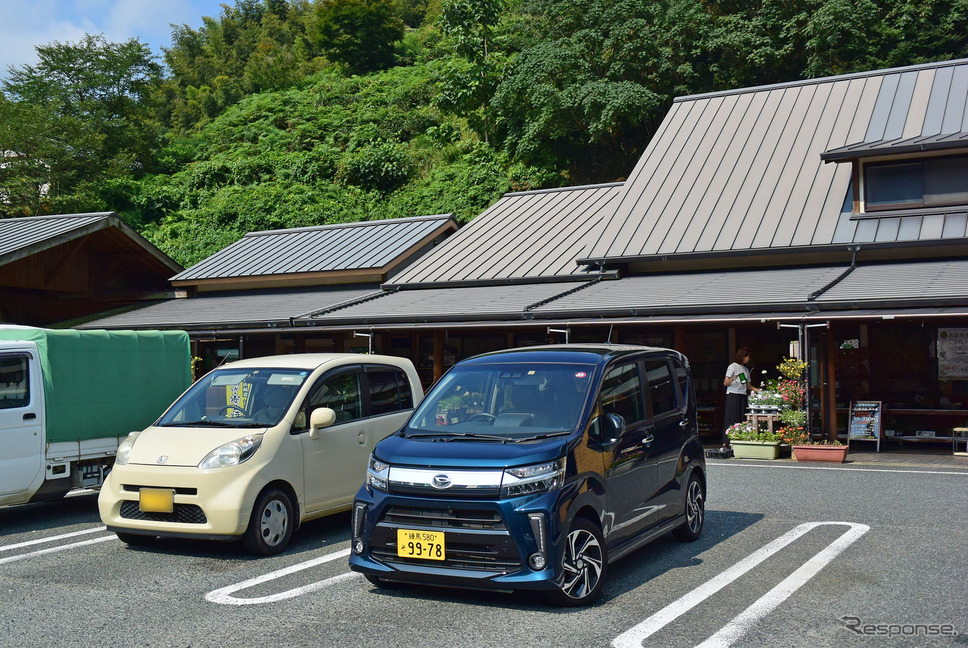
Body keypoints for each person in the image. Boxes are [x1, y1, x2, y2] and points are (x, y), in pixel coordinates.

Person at [722, 346, 759, 447]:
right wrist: (733, 378)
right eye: (747, 357)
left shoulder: (746, 369)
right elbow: (725, 382)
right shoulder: (732, 367)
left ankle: (739, 440)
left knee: (741, 418)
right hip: (732, 395)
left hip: (742, 395)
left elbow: (749, 386)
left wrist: (759, 391)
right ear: (743, 357)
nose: (749, 359)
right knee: (731, 418)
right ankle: (727, 442)